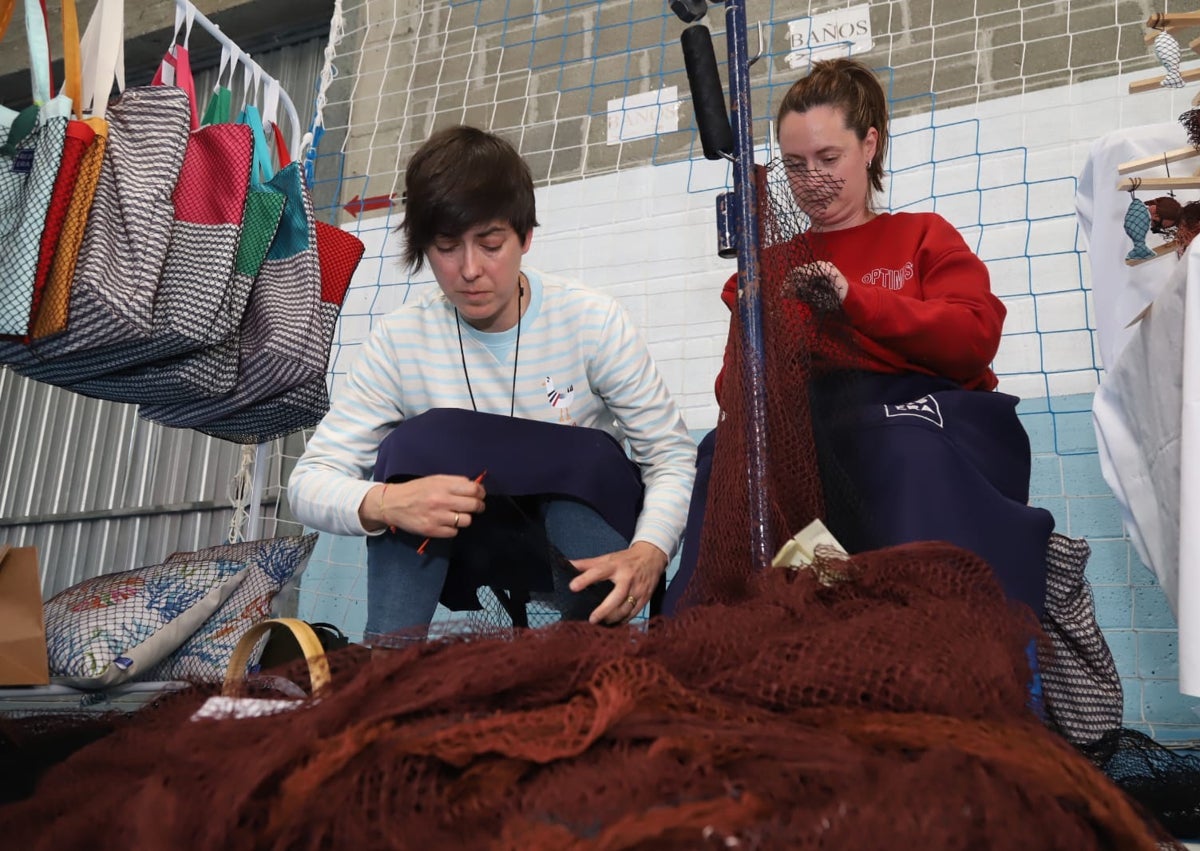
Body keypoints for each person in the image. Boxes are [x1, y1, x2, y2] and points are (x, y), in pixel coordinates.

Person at [667, 58, 1054, 619]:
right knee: (726, 460)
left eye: (829, 158)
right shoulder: (767, 267)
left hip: (910, 429)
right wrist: (760, 323)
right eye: (795, 165)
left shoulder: (922, 236)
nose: (813, 179)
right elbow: (735, 398)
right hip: (815, 465)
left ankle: (935, 630)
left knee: (899, 442)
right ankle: (727, 637)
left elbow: (972, 338)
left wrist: (855, 301)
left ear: (869, 145)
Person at [289, 126, 696, 644]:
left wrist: (650, 551)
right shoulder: (399, 342)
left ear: (526, 237)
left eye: (491, 243)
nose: (470, 270)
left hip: (581, 558)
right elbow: (308, 482)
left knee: (593, 458)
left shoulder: (592, 321)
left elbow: (672, 456)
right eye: (445, 247)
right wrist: (389, 503)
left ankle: (587, 664)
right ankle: (386, 664)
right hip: (461, 544)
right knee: (412, 451)